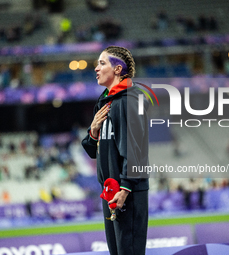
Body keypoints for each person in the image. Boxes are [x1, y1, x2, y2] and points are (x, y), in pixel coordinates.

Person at [82, 46, 149, 255]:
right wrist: (93, 131)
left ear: (118, 69)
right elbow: (94, 151)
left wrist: (126, 187)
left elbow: (136, 148)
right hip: (110, 192)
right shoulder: (104, 102)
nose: (96, 68)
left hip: (126, 192)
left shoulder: (130, 99)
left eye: (102, 63)